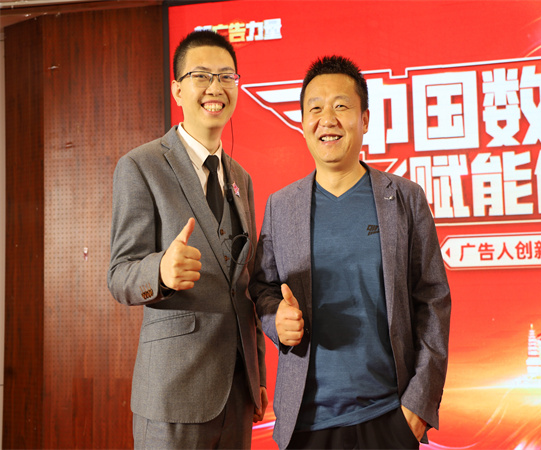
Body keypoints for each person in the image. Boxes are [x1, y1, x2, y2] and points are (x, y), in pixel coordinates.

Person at [250, 55, 451, 449]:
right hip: (306, 424)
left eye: (341, 106)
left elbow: (433, 300)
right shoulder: (281, 206)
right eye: (315, 109)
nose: (328, 119)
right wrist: (276, 320)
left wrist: (419, 404)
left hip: (389, 417)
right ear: (302, 123)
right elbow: (261, 288)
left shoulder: (405, 198)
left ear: (365, 119)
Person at [108, 30, 267, 449]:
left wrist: (258, 375)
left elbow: (245, 285)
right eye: (201, 76)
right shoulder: (141, 165)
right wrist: (160, 271)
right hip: (173, 392)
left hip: (237, 392)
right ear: (178, 90)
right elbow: (120, 275)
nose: (216, 88)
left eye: (226, 77)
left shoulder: (241, 178)